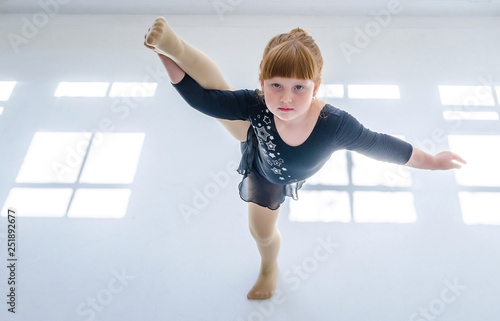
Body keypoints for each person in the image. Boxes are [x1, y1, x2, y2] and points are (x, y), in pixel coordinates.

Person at [144, 17, 466, 300]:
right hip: (262, 161)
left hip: (276, 159)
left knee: (226, 105)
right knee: (260, 230)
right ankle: (176, 45)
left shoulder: (334, 125)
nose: (286, 98)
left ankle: (269, 267)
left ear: (316, 87)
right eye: (276, 85)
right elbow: (204, 100)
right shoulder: (258, 104)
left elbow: (382, 145)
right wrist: (162, 54)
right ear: (262, 84)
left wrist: (433, 161)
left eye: (299, 87)